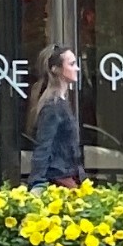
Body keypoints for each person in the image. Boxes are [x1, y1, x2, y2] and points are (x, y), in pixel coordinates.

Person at [26, 43, 84, 189]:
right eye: (71, 64)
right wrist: (37, 183)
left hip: (66, 177)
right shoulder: (53, 105)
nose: (77, 68)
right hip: (59, 180)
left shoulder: (59, 102)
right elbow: (43, 145)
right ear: (56, 69)